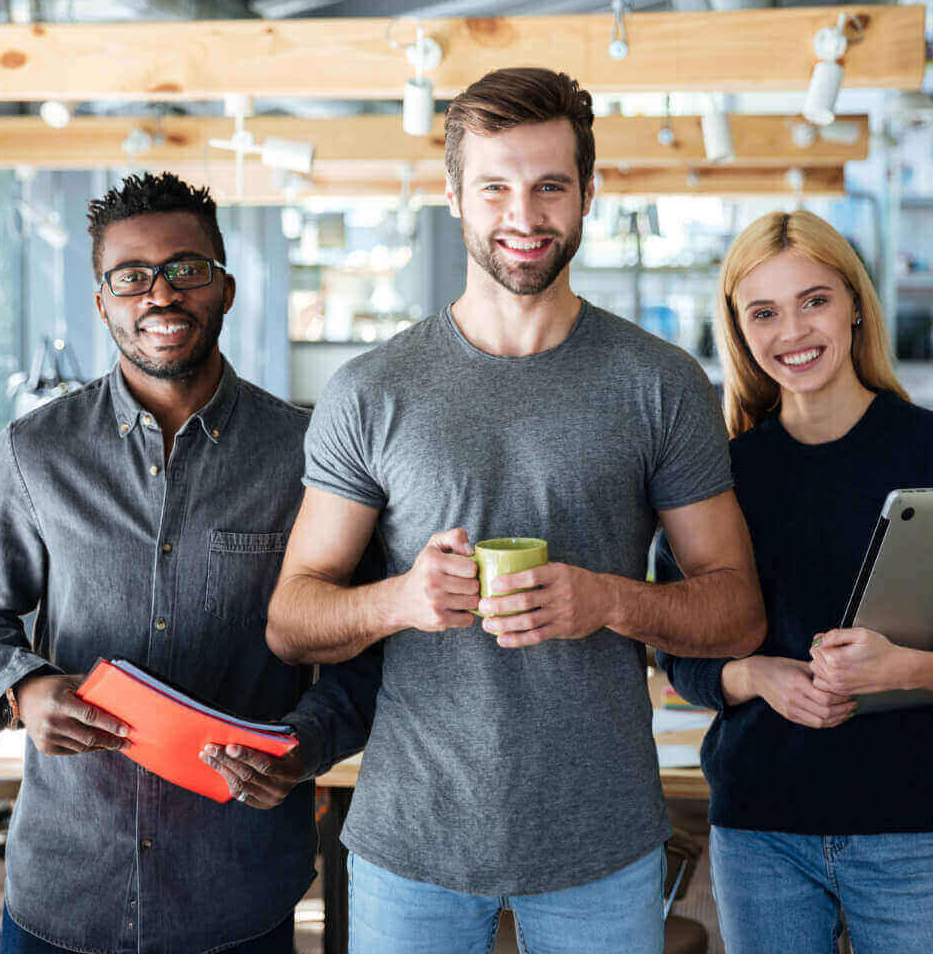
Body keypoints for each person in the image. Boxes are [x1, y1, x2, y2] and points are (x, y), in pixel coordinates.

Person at [265, 67, 766, 954]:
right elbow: (291, 619)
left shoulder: (660, 385)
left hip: (601, 844)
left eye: (549, 187)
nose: (523, 217)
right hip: (410, 841)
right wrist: (400, 601)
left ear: (588, 195)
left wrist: (608, 602)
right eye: (494, 186)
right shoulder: (371, 391)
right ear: (453, 196)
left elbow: (736, 612)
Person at [0, 172, 380, 954]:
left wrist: (305, 745)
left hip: (237, 884)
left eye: (186, 269)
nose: (161, 294)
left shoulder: (308, 456)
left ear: (226, 288)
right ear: (103, 301)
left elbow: (364, 650)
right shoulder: (35, 453)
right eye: (132, 276)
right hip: (66, 885)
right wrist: (22, 687)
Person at [659, 209, 933, 954]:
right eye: (765, 312)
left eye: (815, 300)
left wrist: (906, 668)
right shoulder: (721, 473)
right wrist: (757, 677)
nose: (794, 332)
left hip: (911, 827)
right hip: (759, 827)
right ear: (740, 329)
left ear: (853, 306)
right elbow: (677, 649)